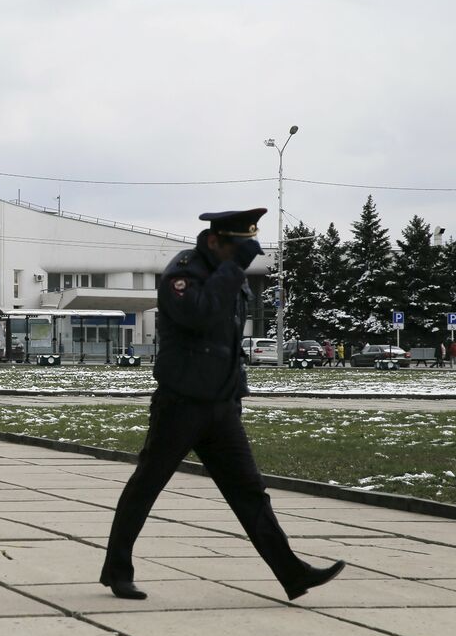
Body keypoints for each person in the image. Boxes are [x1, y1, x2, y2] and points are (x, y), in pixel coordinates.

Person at [99, 208, 345, 602]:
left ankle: (293, 575)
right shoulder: (184, 274)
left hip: (220, 406)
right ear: (214, 241)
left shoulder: (226, 274)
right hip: (180, 405)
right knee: (147, 486)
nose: (241, 256)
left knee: (250, 492)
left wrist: (235, 394)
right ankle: (116, 571)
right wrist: (235, 270)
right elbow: (200, 315)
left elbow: (228, 346)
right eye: (236, 247)